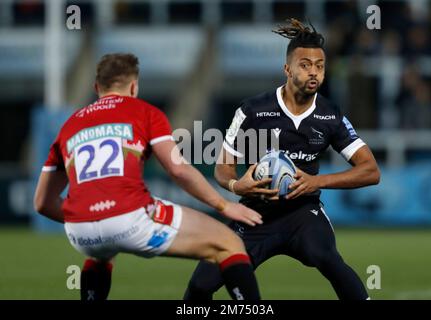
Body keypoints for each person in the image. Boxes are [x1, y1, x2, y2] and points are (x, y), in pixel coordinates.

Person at [33, 53, 263, 301]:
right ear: (134, 86)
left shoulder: (69, 126)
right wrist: (223, 204)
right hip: (129, 218)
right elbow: (178, 169)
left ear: (96, 87)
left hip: (80, 233)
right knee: (228, 243)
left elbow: (42, 203)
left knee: (101, 254)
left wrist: (86, 217)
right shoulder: (144, 111)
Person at [184, 19, 380, 300]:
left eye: (320, 66)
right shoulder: (252, 110)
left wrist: (317, 182)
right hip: (254, 214)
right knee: (202, 284)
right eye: (305, 65)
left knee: (326, 256)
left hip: (303, 214)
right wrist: (237, 186)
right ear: (287, 69)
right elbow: (222, 168)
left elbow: (371, 171)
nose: (314, 72)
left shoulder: (330, 115)